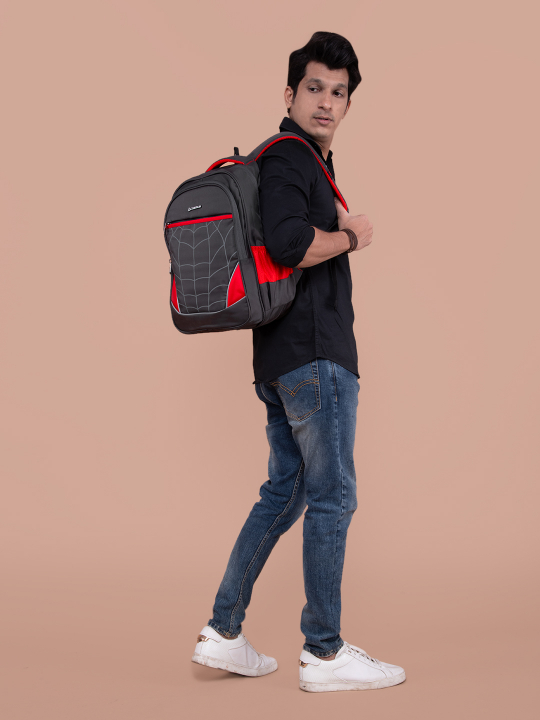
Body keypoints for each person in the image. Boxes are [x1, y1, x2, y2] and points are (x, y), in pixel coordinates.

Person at [191, 31, 406, 693]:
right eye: (315, 87)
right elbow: (288, 244)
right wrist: (351, 236)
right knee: (333, 497)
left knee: (285, 494)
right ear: (290, 95)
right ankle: (324, 651)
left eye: (338, 92)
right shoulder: (291, 158)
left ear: (348, 104)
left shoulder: (293, 160)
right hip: (314, 357)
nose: (326, 102)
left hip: (280, 359)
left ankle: (223, 632)